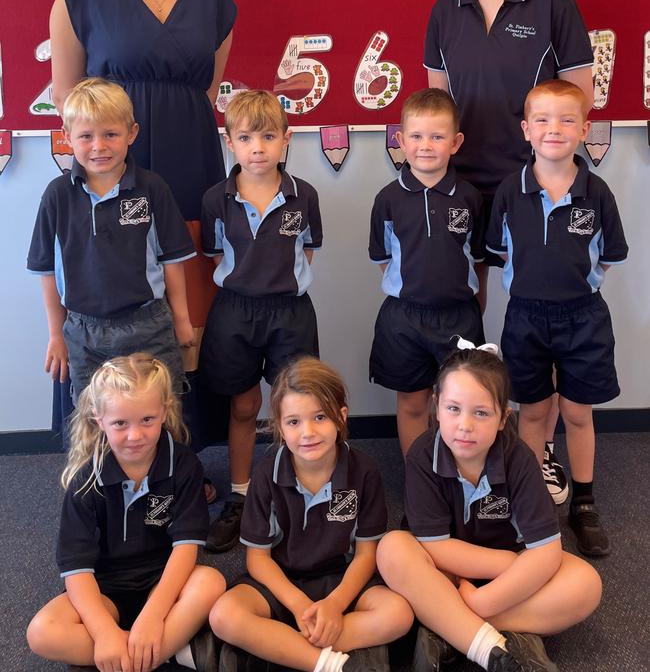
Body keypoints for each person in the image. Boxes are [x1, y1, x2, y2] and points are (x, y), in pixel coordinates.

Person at [424, 0, 595, 500]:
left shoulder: (553, 2)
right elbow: (435, 108)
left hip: (533, 184)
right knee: (464, 306)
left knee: (535, 310)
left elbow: (581, 94)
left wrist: (548, 151)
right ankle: (463, 432)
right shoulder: (447, 10)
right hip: (461, 184)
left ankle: (537, 446)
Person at [49, 0, 237, 337]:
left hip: (190, 158)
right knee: (109, 294)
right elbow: (68, 99)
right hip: (108, 165)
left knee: (192, 304)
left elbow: (207, 90)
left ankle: (193, 411)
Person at [377, 346, 602, 672]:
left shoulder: (519, 458)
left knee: (585, 583)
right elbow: (434, 546)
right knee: (392, 549)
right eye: (453, 409)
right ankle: (487, 645)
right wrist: (508, 562)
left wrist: (484, 600)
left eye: (480, 413)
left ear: (502, 419)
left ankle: (450, 627)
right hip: (446, 571)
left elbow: (547, 552)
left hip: (507, 579)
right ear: (436, 408)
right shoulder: (423, 455)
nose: (464, 425)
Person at [486, 80, 628, 557]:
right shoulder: (510, 191)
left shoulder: (597, 191)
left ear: (585, 129)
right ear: (526, 129)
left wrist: (576, 290)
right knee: (532, 410)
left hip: (583, 318)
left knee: (577, 412)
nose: (554, 129)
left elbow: (606, 256)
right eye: (542, 120)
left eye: (567, 119)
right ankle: (532, 503)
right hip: (524, 316)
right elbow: (499, 252)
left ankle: (583, 502)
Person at [210, 357, 414, 672]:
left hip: (342, 579)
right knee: (224, 616)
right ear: (278, 426)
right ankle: (332, 663)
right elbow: (258, 560)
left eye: (320, 417)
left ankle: (281, 646)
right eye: (293, 422)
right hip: (283, 581)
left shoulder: (365, 471)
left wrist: (335, 605)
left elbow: (365, 555)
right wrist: (297, 603)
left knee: (399, 613)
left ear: (341, 417)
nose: (308, 432)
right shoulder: (266, 475)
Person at [26, 354, 225, 672]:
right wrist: (104, 632)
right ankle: (162, 653)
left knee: (211, 583)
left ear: (164, 411)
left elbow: (187, 547)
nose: (136, 435)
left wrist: (153, 614)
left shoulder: (184, 465)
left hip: (163, 584)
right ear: (98, 419)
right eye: (120, 423)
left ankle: (126, 658)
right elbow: (76, 569)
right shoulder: (85, 479)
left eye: (147, 420)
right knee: (42, 632)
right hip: (104, 591)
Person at [199, 90, 323, 552]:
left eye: (268, 136)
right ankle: (240, 497)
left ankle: (302, 495)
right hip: (235, 311)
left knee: (299, 404)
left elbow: (306, 250)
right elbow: (214, 254)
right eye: (246, 137)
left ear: (286, 140)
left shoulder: (302, 195)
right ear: (230, 141)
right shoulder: (216, 199)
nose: (257, 148)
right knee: (245, 407)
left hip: (290, 312)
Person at [27, 78, 196, 403]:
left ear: (131, 133)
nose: (99, 146)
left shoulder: (152, 188)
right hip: (83, 331)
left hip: (149, 324)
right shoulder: (57, 195)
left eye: (111, 135)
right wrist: (55, 333)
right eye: (86, 136)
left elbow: (172, 262)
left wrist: (182, 319)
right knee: (94, 421)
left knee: (160, 410)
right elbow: (46, 270)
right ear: (67, 137)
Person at [368, 88, 485, 454]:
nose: (426, 145)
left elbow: (477, 257)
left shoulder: (470, 197)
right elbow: (384, 258)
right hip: (405, 319)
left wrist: (476, 300)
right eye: (416, 136)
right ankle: (419, 483)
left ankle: (457, 477)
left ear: (456, 142)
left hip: (459, 317)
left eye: (437, 136)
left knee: (462, 403)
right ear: (401, 140)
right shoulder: (388, 199)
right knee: (414, 404)